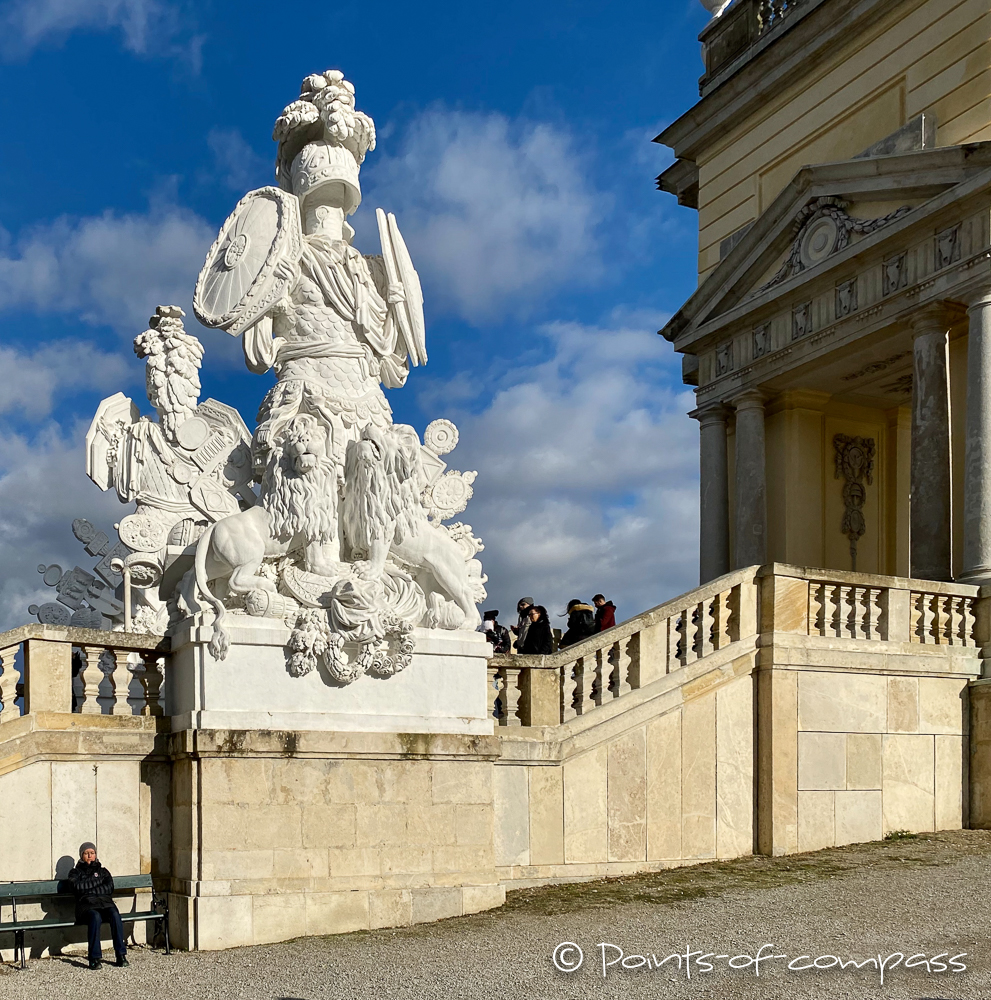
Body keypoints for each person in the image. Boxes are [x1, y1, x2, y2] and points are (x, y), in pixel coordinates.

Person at [67, 843, 128, 970]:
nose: (90, 855)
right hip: (86, 907)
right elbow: (77, 887)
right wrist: (98, 882)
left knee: (115, 914)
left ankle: (121, 955)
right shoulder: (75, 872)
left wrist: (89, 886)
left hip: (105, 904)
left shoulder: (103, 871)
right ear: (81, 855)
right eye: (86, 853)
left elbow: (109, 887)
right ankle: (94, 958)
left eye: (92, 852)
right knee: (95, 917)